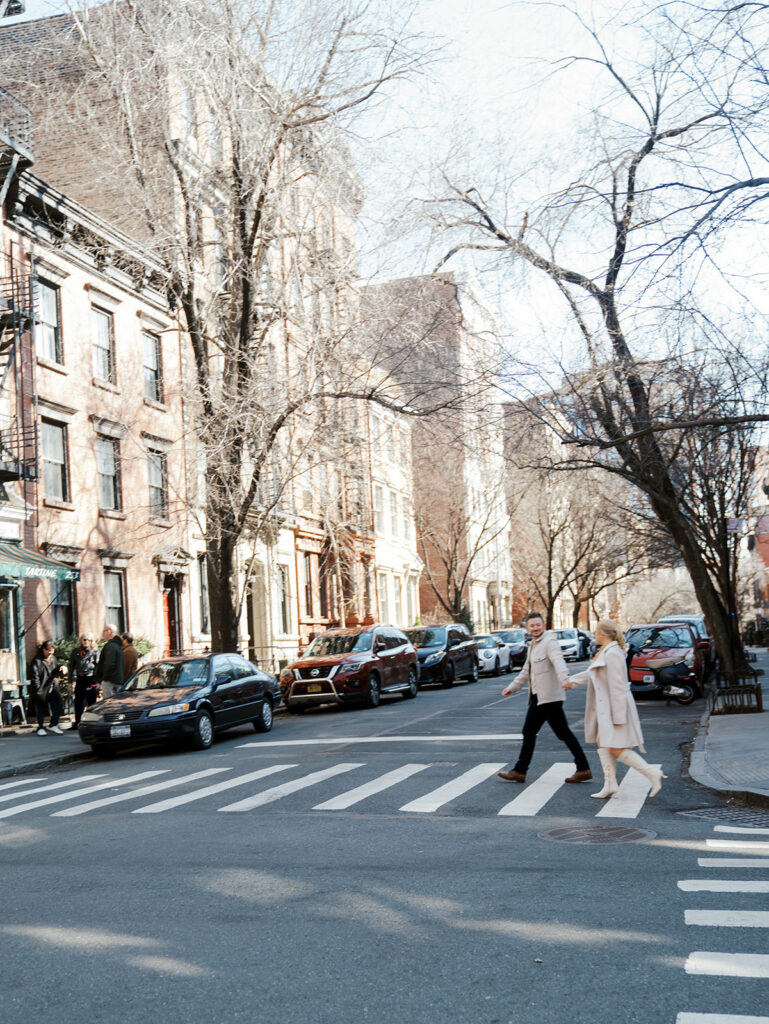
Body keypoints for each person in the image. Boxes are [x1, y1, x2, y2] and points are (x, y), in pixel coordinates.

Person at [563, 619, 666, 798]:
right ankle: (610, 784)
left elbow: (618, 686)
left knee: (616, 748)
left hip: (614, 708)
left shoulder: (613, 654)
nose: (594, 635)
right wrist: (571, 682)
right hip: (608, 708)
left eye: (596, 632)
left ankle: (651, 773)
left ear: (603, 634)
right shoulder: (608, 651)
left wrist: (618, 716)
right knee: (602, 742)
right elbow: (592, 673)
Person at [497, 611, 592, 784]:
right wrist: (512, 688)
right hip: (540, 697)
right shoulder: (533, 645)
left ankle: (520, 770)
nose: (535, 628)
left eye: (538, 625)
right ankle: (583, 768)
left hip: (547, 697)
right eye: (532, 625)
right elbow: (526, 671)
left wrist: (565, 678)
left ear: (544, 626)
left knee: (529, 731)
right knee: (563, 733)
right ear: (527, 628)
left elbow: (558, 661)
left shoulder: (550, 642)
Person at [29, 640, 65, 736]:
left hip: (52, 686)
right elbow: (34, 677)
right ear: (44, 650)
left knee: (57, 704)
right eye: (49, 651)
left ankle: (53, 725)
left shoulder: (52, 658)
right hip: (41, 688)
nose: (50, 654)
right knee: (40, 708)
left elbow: (55, 670)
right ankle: (40, 727)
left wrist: (61, 667)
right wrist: (38, 690)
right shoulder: (37, 661)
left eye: (52, 651)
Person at [68, 633, 99, 728]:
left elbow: (98, 667)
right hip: (80, 679)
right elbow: (71, 666)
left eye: (88, 640)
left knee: (91, 702)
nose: (86, 642)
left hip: (91, 679)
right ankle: (77, 722)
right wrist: (70, 681)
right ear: (81, 641)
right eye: (84, 639)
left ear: (91, 642)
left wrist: (98, 681)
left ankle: (92, 722)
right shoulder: (75, 652)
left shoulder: (95, 652)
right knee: (78, 702)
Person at [94, 623, 124, 700]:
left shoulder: (110, 646)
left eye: (104, 631)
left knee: (108, 704)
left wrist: (104, 678)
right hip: (118, 680)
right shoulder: (118, 646)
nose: (103, 633)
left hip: (109, 681)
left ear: (109, 631)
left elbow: (109, 664)